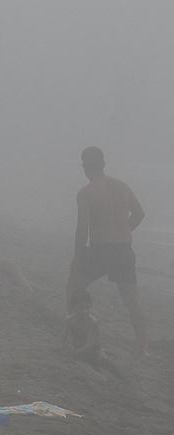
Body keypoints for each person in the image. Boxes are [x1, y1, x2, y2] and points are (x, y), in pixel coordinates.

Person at [66, 146, 147, 354]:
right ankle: (143, 347)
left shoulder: (85, 193)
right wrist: (123, 231)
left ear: (85, 168)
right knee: (132, 299)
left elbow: (82, 228)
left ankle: (75, 333)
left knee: (74, 285)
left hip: (100, 250)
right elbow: (139, 213)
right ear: (102, 164)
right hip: (123, 248)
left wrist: (78, 256)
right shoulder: (121, 186)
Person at [64, 289, 126, 380]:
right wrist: (65, 346)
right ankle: (97, 372)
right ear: (73, 308)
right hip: (78, 348)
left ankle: (121, 377)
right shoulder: (70, 320)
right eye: (81, 308)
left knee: (104, 362)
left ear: (91, 306)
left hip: (93, 350)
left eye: (87, 308)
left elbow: (91, 343)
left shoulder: (92, 322)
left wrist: (77, 352)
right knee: (88, 369)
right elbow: (64, 336)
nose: (84, 311)